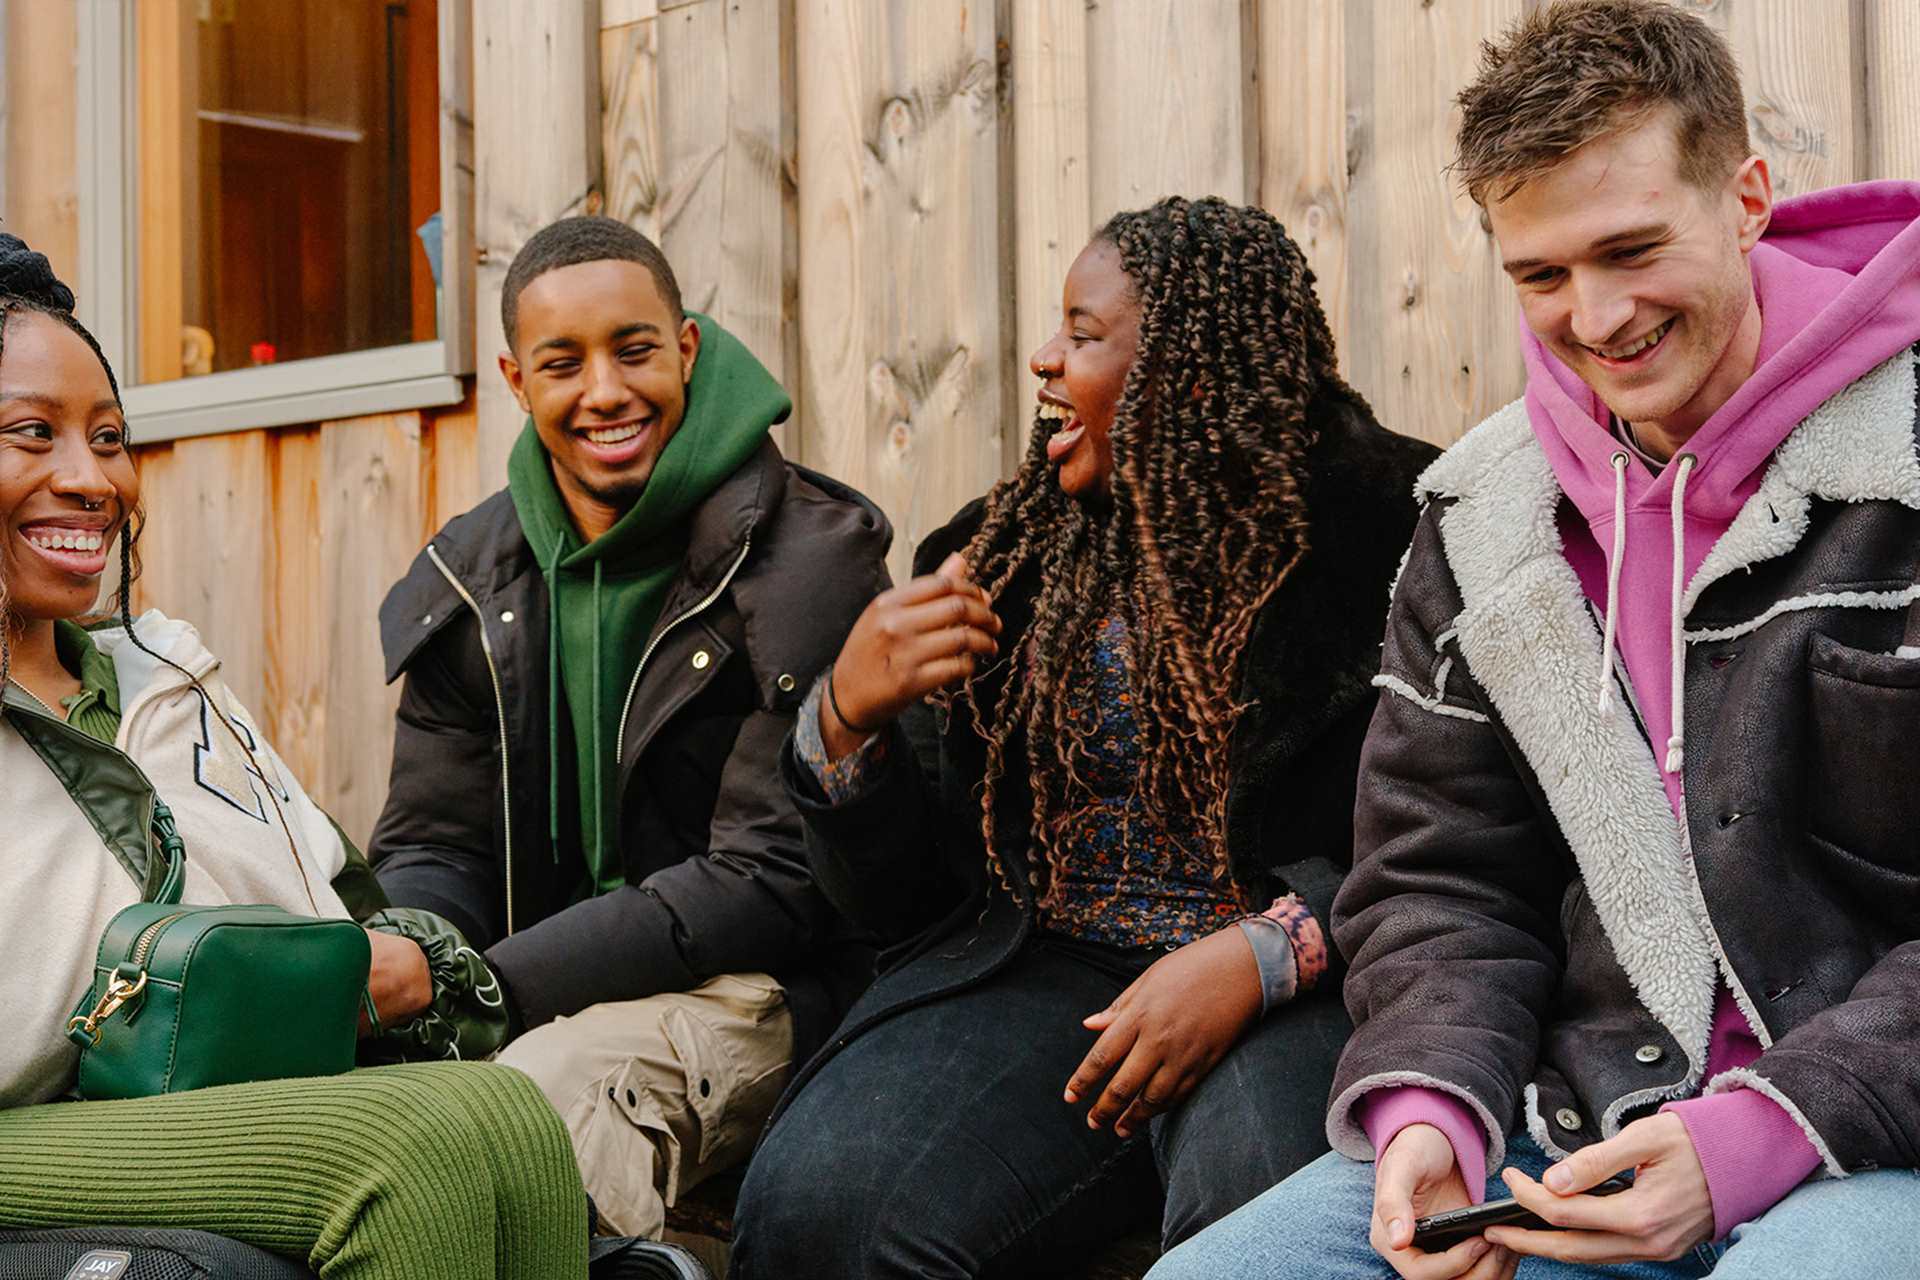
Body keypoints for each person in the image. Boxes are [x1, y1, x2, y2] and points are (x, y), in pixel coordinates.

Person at [1148, 4, 1920, 1279]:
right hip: (1582, 1128)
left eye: (1631, 248)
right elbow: (1440, 877)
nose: (1597, 316)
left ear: (1748, 197)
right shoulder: (1484, 517)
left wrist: (1761, 1132)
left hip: (1879, 1135)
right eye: (1542, 274)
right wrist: (1429, 1107)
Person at [729, 196, 1437, 1277]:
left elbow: (1466, 830)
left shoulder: (1397, 535)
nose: (1043, 360)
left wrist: (1267, 951)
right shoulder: (996, 556)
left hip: (1306, 980)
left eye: (1085, 332)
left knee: (1269, 1222)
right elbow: (902, 905)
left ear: (1192, 369)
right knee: (823, 1207)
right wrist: (845, 721)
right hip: (1049, 968)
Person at [0, 235, 590, 1278]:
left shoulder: (162, 674)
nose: (91, 479)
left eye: (110, 437)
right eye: (32, 434)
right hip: (32, 1123)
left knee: (508, 1112)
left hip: (187, 1100)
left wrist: (388, 965)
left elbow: (331, 908)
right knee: (413, 1150)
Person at [369, 215, 891, 1238]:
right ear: (519, 383)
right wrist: (408, 944)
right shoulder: (474, 579)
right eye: (564, 363)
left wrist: (475, 982)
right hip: (530, 978)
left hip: (765, 986)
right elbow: (437, 838)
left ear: (686, 348)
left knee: (528, 1109)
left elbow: (770, 880)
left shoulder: (807, 559)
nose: (605, 391)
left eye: (635, 349)